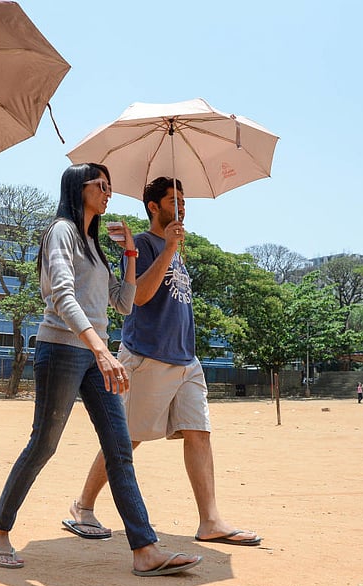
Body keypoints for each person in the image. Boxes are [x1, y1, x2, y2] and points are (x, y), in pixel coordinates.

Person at [0, 164, 202, 577]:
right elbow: (62, 296)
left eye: (110, 186)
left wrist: (131, 256)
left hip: (96, 353)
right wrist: (101, 350)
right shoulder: (61, 232)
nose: (109, 192)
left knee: (120, 451)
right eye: (101, 185)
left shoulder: (94, 243)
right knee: (44, 444)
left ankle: (145, 550)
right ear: (77, 188)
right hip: (63, 350)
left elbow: (122, 302)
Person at [68, 177, 261, 548]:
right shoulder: (140, 244)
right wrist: (169, 249)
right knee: (127, 438)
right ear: (154, 206)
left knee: (199, 433)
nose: (183, 207)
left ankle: (210, 521)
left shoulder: (177, 248)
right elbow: (138, 297)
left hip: (186, 359)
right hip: (147, 356)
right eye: (174, 200)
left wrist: (174, 249)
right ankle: (83, 505)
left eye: (184, 201)